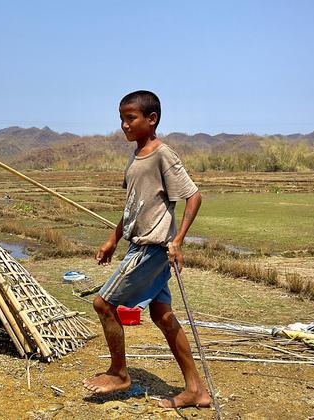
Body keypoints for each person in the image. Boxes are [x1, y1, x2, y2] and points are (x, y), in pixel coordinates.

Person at [83, 90, 211, 409]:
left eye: (131, 118)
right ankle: (196, 390)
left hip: (152, 249)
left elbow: (193, 197)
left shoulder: (161, 154)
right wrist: (114, 239)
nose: (124, 125)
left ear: (151, 119)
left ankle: (119, 373)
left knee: (103, 304)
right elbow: (132, 208)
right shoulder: (136, 156)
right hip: (137, 244)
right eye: (122, 119)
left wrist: (177, 240)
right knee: (163, 315)